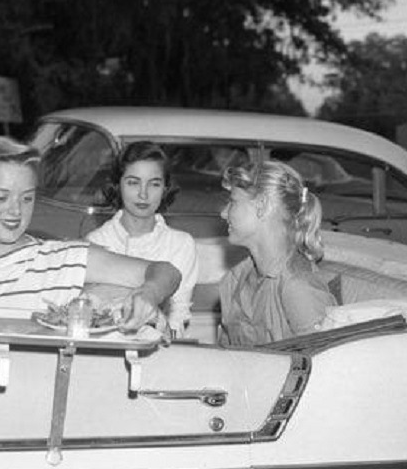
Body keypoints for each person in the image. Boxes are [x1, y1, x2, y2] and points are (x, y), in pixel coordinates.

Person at [0, 136, 181, 331]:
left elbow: (166, 272)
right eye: (1, 197)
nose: (15, 210)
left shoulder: (61, 259)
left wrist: (149, 294)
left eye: (27, 198)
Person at [86, 141, 198, 338]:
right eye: (133, 182)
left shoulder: (181, 245)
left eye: (154, 184)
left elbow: (178, 319)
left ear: (165, 188)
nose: (143, 194)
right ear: (117, 185)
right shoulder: (96, 242)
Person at [217, 159, 335, 346]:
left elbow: (329, 364)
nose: (224, 213)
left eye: (233, 202)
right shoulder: (235, 279)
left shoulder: (298, 288)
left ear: (262, 206)